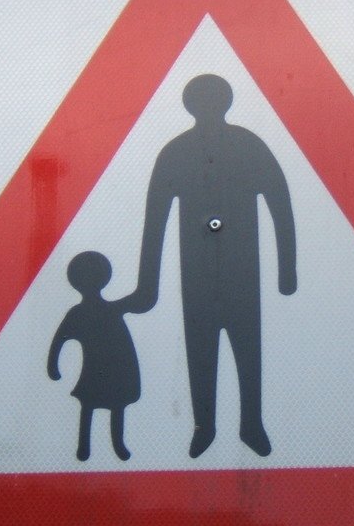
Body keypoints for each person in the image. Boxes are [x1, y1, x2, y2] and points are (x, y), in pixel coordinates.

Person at [124, 74, 296, 458]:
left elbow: (280, 202)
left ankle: (251, 424)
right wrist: (146, 286)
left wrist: (288, 272)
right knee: (199, 351)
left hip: (242, 272)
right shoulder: (175, 152)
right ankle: (204, 427)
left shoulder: (249, 146)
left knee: (248, 348)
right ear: (190, 105)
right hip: (196, 273)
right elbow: (155, 220)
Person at [47, 250, 140, 462]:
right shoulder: (81, 313)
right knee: (91, 406)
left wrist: (54, 367)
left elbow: (60, 340)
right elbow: (60, 339)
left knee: (111, 407)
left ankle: (116, 446)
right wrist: (53, 367)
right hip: (94, 371)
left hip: (113, 371)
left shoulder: (106, 310)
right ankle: (84, 448)